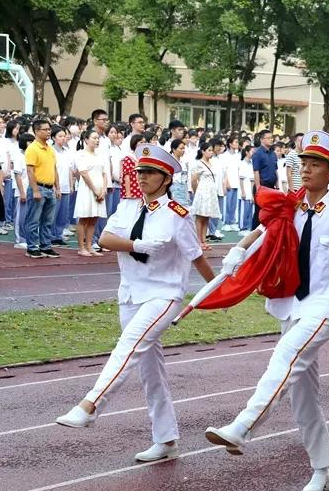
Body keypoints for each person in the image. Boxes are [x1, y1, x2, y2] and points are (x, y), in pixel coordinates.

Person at [205, 131, 329, 491]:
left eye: (315, 163)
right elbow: (261, 230)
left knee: (285, 356)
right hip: (291, 305)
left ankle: (243, 425)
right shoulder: (290, 205)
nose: (306, 169)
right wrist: (237, 253)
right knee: (301, 395)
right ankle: (322, 468)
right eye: (303, 162)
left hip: (325, 306)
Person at [55, 145, 215, 461]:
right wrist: (137, 244)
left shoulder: (177, 214)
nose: (142, 178)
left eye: (150, 173)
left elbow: (195, 257)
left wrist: (218, 288)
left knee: (129, 344)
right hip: (130, 293)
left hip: (164, 293)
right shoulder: (128, 207)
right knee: (149, 371)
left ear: (167, 179)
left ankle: (90, 404)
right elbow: (105, 239)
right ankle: (166, 439)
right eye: (140, 172)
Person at [23, 119, 60, 258]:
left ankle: (45, 246)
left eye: (49, 129)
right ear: (37, 131)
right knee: (33, 220)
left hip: (50, 188)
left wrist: (57, 187)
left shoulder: (50, 148)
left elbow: (54, 168)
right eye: (45, 129)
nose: (48, 131)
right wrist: (35, 190)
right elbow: (30, 171)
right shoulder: (32, 148)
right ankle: (32, 247)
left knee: (48, 221)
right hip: (38, 187)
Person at [73, 130, 109, 256]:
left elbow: (105, 173)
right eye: (94, 138)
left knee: (93, 219)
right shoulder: (80, 154)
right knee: (84, 218)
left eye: (98, 138)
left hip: (99, 189)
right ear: (86, 140)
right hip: (87, 189)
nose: (97, 140)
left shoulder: (100, 155)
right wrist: (95, 190)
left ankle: (89, 246)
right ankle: (81, 248)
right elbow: (83, 173)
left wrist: (103, 189)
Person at [190, 139, 223, 249]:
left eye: (212, 150)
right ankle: (198, 241)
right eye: (209, 150)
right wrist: (197, 192)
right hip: (202, 192)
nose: (211, 152)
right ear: (203, 151)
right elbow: (194, 180)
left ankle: (204, 240)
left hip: (211, 193)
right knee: (200, 217)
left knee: (207, 217)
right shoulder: (198, 164)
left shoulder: (212, 163)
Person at [251, 129, 278, 229]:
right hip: (262, 186)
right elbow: (256, 171)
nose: (271, 140)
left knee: (269, 212)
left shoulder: (273, 154)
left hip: (271, 187)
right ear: (262, 139)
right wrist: (258, 188)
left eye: (272, 138)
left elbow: (275, 170)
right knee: (259, 212)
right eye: (268, 138)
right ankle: (253, 236)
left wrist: (277, 186)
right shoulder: (257, 153)